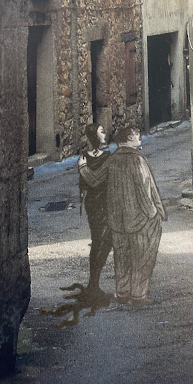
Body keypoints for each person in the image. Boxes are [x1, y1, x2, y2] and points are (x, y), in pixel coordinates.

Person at [79, 127, 167, 307]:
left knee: (121, 258)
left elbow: (94, 180)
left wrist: (83, 168)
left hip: (116, 221)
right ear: (127, 139)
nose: (139, 137)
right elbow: (145, 190)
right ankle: (138, 296)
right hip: (139, 219)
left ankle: (122, 292)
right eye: (136, 134)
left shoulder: (112, 159)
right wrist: (154, 213)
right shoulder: (138, 160)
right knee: (142, 257)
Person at [77, 123, 113, 306]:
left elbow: (95, 179)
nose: (105, 134)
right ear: (94, 136)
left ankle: (94, 284)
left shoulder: (106, 157)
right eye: (101, 132)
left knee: (106, 240)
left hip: (106, 202)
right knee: (99, 240)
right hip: (94, 204)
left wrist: (84, 170)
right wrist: (84, 171)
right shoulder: (85, 158)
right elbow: (94, 181)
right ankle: (93, 285)